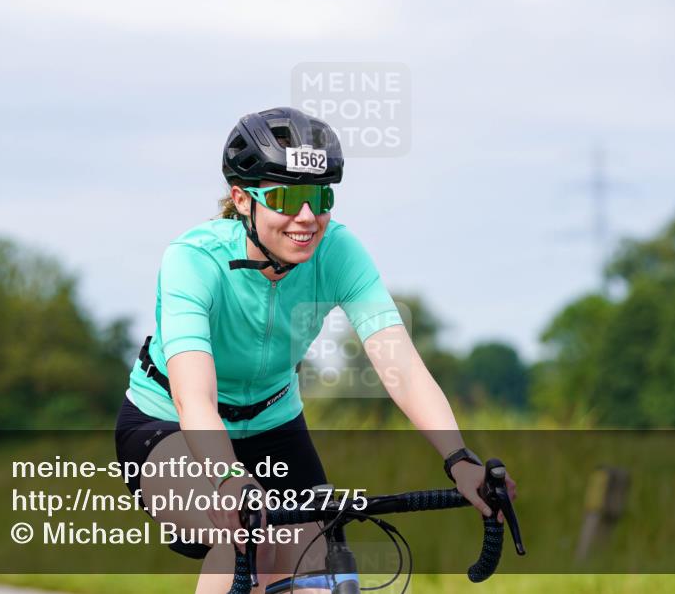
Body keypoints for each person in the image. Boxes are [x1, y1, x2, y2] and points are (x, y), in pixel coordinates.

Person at [114, 107, 516, 593]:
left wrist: (459, 458)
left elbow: (401, 369)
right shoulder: (193, 260)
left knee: (315, 555)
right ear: (243, 200)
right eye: (286, 198)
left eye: (321, 197)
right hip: (169, 423)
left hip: (272, 422)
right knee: (245, 535)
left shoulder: (339, 251)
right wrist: (226, 477)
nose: (307, 218)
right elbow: (192, 397)